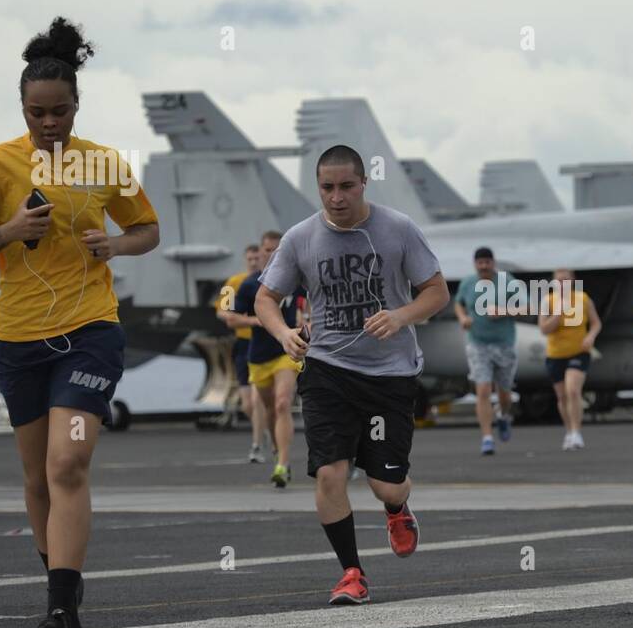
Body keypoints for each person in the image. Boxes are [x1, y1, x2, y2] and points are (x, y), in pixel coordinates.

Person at [0, 17, 160, 628]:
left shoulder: (103, 162)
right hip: (16, 338)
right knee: (37, 478)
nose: (49, 123)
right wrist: (7, 232)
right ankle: (58, 586)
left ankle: (63, 612)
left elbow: (146, 229)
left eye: (60, 111)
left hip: (90, 331)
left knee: (68, 465)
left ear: (76, 107)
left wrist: (115, 243)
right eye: (37, 112)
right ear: (22, 109)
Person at [257, 144, 449, 604]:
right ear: (318, 188)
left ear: (364, 183)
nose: (337, 197)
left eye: (347, 186)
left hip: (389, 374)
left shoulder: (398, 229)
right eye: (327, 187)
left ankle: (396, 506)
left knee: (386, 481)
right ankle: (351, 573)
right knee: (330, 472)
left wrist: (401, 316)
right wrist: (283, 332)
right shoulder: (300, 238)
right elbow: (266, 298)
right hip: (327, 370)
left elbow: (437, 292)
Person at [233, 231, 303, 488]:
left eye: (276, 249)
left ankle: (282, 464)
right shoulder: (247, 284)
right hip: (255, 354)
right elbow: (229, 315)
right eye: (266, 250)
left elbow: (308, 306)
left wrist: (305, 321)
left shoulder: (297, 281)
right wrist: (263, 319)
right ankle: (274, 447)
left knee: (283, 403)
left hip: (285, 353)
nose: (269, 255)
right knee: (261, 407)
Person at [453, 247, 524, 455]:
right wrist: (463, 318)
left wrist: (503, 311)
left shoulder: (507, 281)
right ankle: (486, 437)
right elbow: (458, 303)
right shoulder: (468, 282)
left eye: (487, 262)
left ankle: (502, 416)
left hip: (504, 344)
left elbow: (527, 306)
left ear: (493, 263)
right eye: (480, 263)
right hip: (477, 343)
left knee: (505, 393)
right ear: (475, 264)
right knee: (482, 389)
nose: (484, 266)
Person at [214, 242, 270, 461]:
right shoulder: (234, 283)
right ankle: (263, 431)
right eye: (251, 259)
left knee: (260, 399)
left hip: (265, 344)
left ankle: (261, 439)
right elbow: (222, 310)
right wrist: (236, 317)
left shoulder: (270, 281)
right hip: (244, 343)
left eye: (257, 258)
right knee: (247, 403)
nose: (254, 262)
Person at [538, 267, 601, 451]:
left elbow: (596, 322)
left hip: (578, 351)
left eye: (566, 280)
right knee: (562, 396)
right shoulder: (548, 301)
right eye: (559, 281)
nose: (562, 284)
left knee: (573, 390)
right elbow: (543, 329)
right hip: (555, 354)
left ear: (572, 280)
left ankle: (576, 432)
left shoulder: (582, 299)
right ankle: (568, 431)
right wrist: (557, 314)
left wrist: (591, 336)